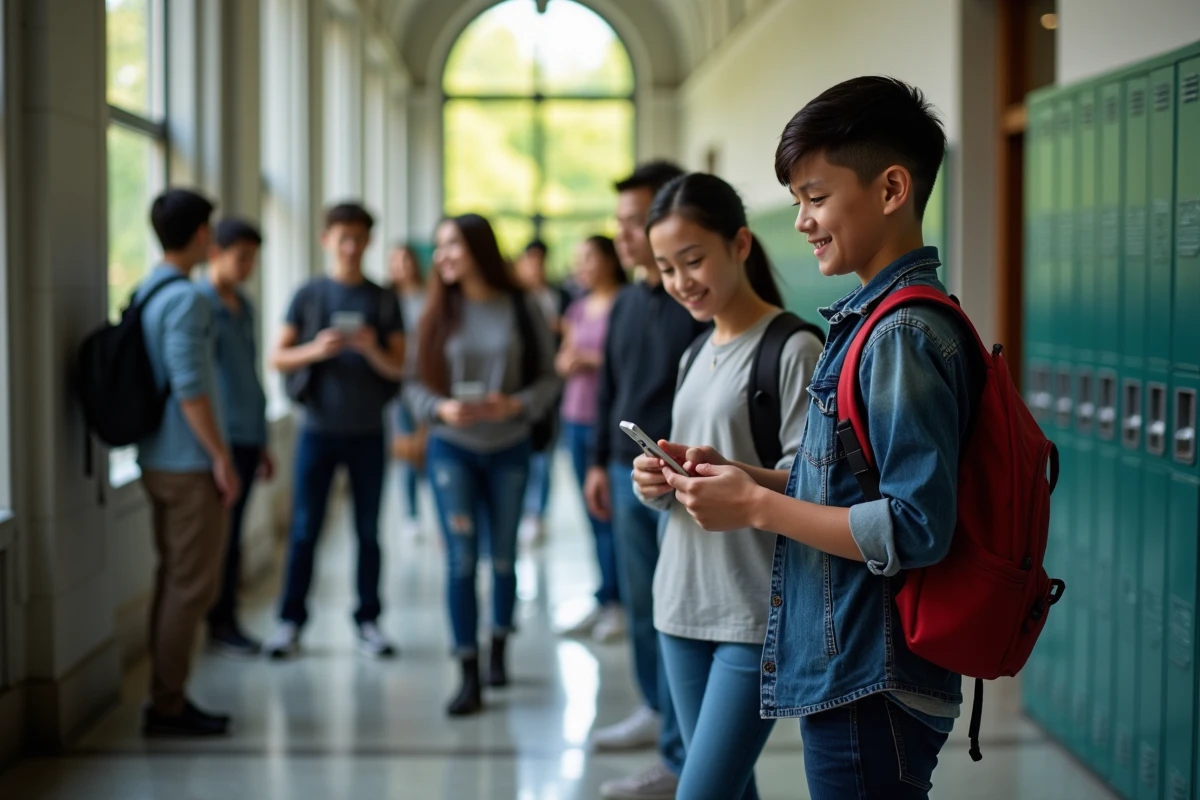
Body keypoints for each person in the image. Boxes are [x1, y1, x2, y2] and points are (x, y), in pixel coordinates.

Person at [655, 77, 974, 800]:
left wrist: (757, 508)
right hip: (850, 660)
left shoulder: (899, 333)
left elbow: (916, 526)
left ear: (892, 188)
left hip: (873, 669)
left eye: (815, 196)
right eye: (796, 199)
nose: (799, 220)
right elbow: (841, 485)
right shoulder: (869, 320)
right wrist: (738, 476)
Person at [632, 173, 823, 799]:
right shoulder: (696, 351)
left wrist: (734, 476)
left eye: (693, 260)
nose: (681, 281)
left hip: (752, 615)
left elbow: (817, 485)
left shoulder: (793, 348)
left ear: (739, 244)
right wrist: (656, 480)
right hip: (680, 604)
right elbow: (694, 487)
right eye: (666, 267)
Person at [404, 214, 561, 717]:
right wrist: (439, 410)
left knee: (501, 559)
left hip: (509, 445)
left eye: (451, 245)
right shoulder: (433, 311)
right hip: (451, 447)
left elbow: (548, 379)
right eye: (438, 247)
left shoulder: (521, 305)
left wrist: (514, 405)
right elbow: (412, 384)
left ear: (478, 248)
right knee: (460, 558)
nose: (442, 256)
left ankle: (499, 642)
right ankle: (467, 668)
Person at [586, 161, 703, 800]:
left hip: (676, 481)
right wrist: (595, 465)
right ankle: (658, 718)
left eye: (639, 222)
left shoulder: (692, 307)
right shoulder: (627, 303)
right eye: (623, 222)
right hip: (623, 470)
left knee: (676, 617)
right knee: (640, 606)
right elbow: (609, 389)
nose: (627, 235)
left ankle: (682, 749)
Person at [265, 202, 407, 661]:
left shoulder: (383, 299)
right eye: (342, 237)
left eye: (359, 238)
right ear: (327, 239)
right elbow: (278, 357)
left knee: (368, 531)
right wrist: (316, 349)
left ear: (368, 242)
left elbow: (399, 367)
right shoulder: (308, 294)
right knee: (305, 527)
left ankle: (369, 620)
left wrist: (369, 349)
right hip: (317, 429)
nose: (350, 247)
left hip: (368, 431)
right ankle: (290, 621)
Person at [135, 188, 238, 736]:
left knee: (174, 579)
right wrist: (220, 457)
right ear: (202, 235)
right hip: (186, 461)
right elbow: (189, 386)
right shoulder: (190, 299)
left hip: (156, 457)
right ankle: (168, 704)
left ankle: (165, 696)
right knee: (192, 586)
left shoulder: (148, 289)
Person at [202, 217, 274, 657]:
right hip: (221, 441)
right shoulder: (200, 306)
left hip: (248, 436)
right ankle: (218, 619)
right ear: (215, 253)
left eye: (252, 259)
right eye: (240, 257)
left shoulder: (244, 307)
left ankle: (226, 615)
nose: (247, 266)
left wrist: (262, 440)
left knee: (235, 535)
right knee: (219, 539)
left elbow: (249, 376)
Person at [555, 236, 628, 644]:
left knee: (611, 516)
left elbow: (627, 362)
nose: (581, 265)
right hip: (575, 417)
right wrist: (567, 361)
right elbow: (563, 354)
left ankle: (618, 601)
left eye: (588, 257)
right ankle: (605, 597)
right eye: (578, 258)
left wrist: (592, 361)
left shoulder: (625, 303)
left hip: (610, 421)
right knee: (592, 512)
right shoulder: (577, 307)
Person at [515, 239, 571, 547]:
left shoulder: (561, 295)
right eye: (530, 260)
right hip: (525, 388)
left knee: (545, 453)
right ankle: (525, 510)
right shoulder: (514, 300)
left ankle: (537, 512)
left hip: (556, 386)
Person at [387, 244, 428, 540]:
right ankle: (411, 514)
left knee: (431, 447)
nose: (403, 265)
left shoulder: (430, 297)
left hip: (428, 382)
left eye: (407, 259)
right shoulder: (388, 300)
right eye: (397, 261)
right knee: (406, 451)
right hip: (400, 385)